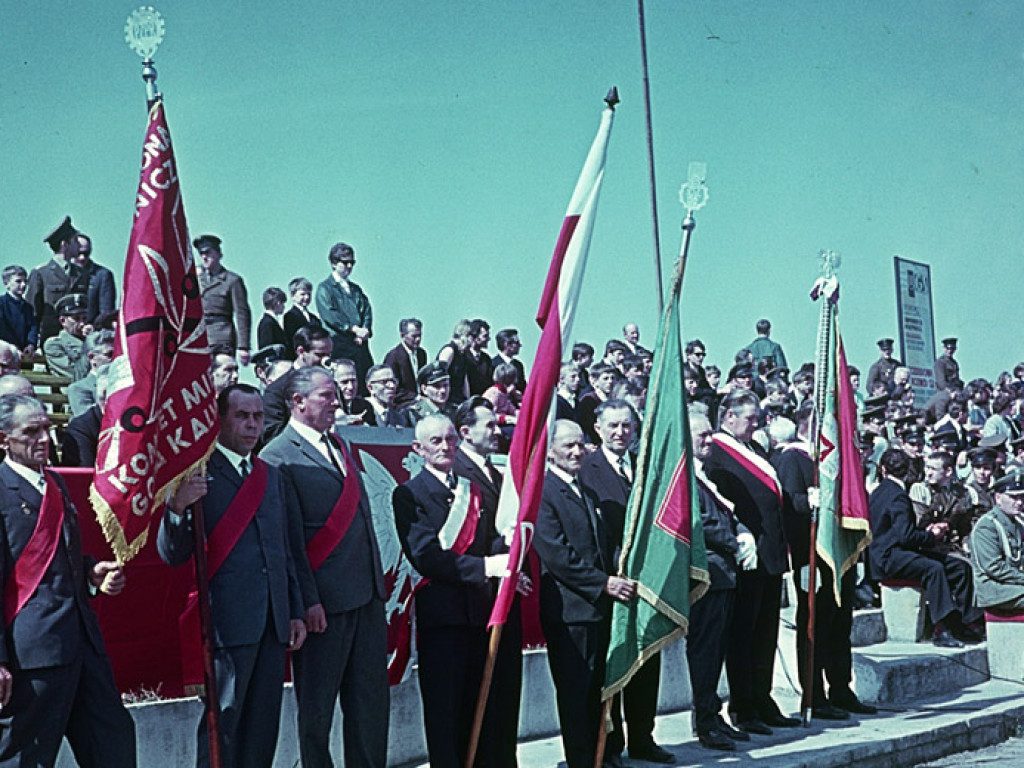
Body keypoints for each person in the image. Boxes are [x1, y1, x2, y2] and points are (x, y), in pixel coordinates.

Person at [158, 384, 307, 768]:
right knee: (222, 726)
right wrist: (177, 507)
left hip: (272, 623)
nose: (253, 425)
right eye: (242, 416)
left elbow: (284, 550)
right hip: (227, 623)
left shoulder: (271, 476)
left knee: (262, 729)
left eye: (258, 416)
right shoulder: (198, 475)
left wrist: (293, 610)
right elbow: (172, 554)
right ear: (220, 420)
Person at [261, 367, 389, 768]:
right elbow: (289, 541)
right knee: (317, 715)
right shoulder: (277, 456)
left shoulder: (341, 445)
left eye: (335, 395)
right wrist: (307, 601)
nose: (336, 402)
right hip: (324, 607)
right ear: (297, 402)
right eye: (326, 396)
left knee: (370, 707)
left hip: (365, 598)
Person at [0, 393, 137, 767]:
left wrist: (93, 573)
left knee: (114, 743)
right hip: (33, 654)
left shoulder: (56, 484)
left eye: (47, 429)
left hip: (82, 642)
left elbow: (64, 560)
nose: (44, 439)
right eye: (31, 432)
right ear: (3, 440)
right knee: (28, 757)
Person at [392, 413, 519, 767]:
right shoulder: (409, 494)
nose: (445, 447)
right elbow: (426, 556)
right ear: (418, 448)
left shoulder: (471, 489)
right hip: (443, 620)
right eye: (435, 441)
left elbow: (486, 541)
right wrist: (485, 567)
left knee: (479, 707)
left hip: (479, 615)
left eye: (450, 439)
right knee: (445, 711)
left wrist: (505, 547)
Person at [533, 420, 636, 768]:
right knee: (577, 692)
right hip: (570, 610)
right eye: (568, 447)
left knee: (599, 687)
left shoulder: (586, 490)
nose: (577, 452)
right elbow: (557, 554)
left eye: (581, 445)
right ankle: (581, 759)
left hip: (598, 607)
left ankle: (603, 752)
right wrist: (602, 583)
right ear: (550, 451)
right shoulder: (543, 493)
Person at [578, 400, 672, 763]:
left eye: (627, 426)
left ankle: (643, 738)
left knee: (647, 664)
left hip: (647, 585)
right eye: (613, 426)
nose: (621, 433)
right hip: (611, 584)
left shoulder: (646, 467)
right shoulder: (587, 468)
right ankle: (611, 744)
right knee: (614, 665)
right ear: (598, 428)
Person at [772, 400, 877, 720]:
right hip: (811, 555)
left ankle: (841, 689)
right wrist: (809, 501)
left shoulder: (834, 461)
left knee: (839, 624)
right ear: (810, 425)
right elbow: (789, 504)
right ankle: (814, 696)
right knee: (814, 624)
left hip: (839, 554)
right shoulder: (793, 458)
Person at [703, 389, 795, 734]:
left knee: (765, 632)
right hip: (745, 554)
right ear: (729, 416)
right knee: (743, 634)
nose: (756, 424)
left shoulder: (755, 448)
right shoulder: (717, 454)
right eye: (750, 418)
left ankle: (762, 695)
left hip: (770, 554)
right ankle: (744, 705)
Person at [685, 407, 755, 751]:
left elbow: (726, 512)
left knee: (715, 653)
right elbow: (699, 521)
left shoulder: (705, 474)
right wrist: (735, 541)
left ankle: (713, 715)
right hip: (706, 575)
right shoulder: (683, 477)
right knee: (704, 651)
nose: (709, 440)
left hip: (724, 574)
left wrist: (742, 532)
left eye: (711, 433)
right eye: (702, 435)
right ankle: (705, 721)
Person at [868, 448, 984, 646]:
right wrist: (932, 535)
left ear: (884, 470)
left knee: (959, 568)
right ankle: (941, 627)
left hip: (892, 552)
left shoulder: (880, 491)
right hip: (889, 557)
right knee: (933, 569)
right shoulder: (897, 495)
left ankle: (965, 621)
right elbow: (906, 536)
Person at [261, 325, 334, 443]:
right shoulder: (277, 390)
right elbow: (271, 433)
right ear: (301, 351)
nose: (326, 361)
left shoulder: (332, 385)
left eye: (329, 355)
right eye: (320, 355)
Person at [316, 242, 373, 387]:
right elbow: (330, 315)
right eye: (345, 262)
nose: (349, 266)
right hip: (339, 346)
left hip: (360, 348)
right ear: (334, 263)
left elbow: (366, 309)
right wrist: (353, 329)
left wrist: (365, 329)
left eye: (352, 263)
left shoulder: (356, 289)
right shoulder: (325, 288)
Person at [971, 470, 1024, 612]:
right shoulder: (987, 526)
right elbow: (994, 568)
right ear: (998, 498)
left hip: (1013, 585)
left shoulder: (1017, 523)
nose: (1019, 502)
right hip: (996, 590)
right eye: (1013, 497)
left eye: (1022, 497)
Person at [194, 235, 252, 365]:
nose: (204, 257)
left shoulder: (232, 280)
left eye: (208, 252)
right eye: (201, 253)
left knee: (224, 375)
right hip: (199, 337)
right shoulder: (195, 280)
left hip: (222, 338)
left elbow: (242, 314)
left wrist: (244, 346)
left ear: (219, 254)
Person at [908, 451, 978, 557]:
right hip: (926, 547)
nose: (928, 473)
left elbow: (966, 527)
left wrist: (967, 546)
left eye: (933, 469)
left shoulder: (964, 493)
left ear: (948, 471)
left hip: (953, 546)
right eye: (927, 468)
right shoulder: (921, 490)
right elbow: (918, 524)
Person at [27, 216, 84, 343]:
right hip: (52, 340)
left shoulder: (81, 273)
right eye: (75, 240)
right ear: (64, 244)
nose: (79, 245)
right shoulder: (41, 274)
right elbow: (32, 313)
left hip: (79, 341)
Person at [66, 233, 116, 327]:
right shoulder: (63, 275)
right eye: (78, 253)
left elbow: (106, 313)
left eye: (86, 253)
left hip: (93, 334)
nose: (82, 258)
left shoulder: (102, 275)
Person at [66, 330, 114, 417]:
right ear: (92, 357)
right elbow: (88, 421)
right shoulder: (78, 388)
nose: (115, 359)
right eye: (110, 354)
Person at [42, 293, 90, 380]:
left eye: (84, 318)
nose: (82, 324)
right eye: (76, 319)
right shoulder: (54, 344)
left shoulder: (91, 339)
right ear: (63, 321)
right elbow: (78, 373)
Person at [382, 318, 427, 408]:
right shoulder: (393, 357)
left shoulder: (422, 354)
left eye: (420, 336)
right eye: (414, 336)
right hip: (401, 405)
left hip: (421, 401)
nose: (418, 339)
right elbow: (393, 388)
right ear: (403, 335)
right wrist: (416, 397)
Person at [0, 265, 38, 356]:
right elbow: (3, 328)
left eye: (25, 281)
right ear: (6, 283)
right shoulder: (1, 304)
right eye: (18, 281)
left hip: (24, 352)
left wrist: (31, 344)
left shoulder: (28, 307)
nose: (23, 285)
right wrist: (12, 347)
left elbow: (32, 327)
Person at [282, 278, 321, 356]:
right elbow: (293, 339)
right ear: (293, 296)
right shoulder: (290, 316)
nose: (306, 297)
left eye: (309, 294)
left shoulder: (314, 318)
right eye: (302, 294)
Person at [437, 320, 473, 405]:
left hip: (458, 400)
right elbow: (440, 375)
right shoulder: (449, 351)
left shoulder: (463, 354)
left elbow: (464, 379)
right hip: (447, 400)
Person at [492, 328, 527, 397]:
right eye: (517, 343)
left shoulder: (518, 365)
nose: (520, 345)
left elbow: (523, 387)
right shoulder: (492, 364)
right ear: (507, 344)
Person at [464, 319, 493, 397]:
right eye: (485, 336)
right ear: (474, 337)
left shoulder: (487, 359)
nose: (488, 339)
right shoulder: (463, 356)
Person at [256, 287, 289, 352]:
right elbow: (267, 349)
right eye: (283, 303)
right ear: (278, 303)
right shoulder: (268, 323)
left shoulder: (270, 321)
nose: (284, 306)